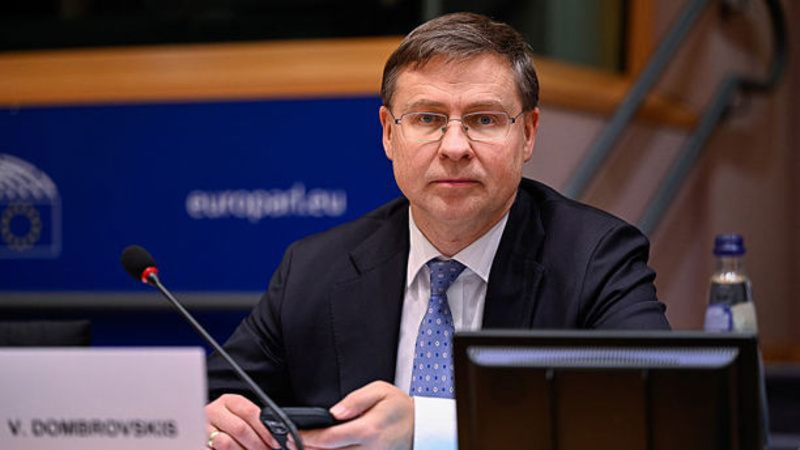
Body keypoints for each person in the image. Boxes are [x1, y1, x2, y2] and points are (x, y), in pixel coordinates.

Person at [204, 11, 670, 450]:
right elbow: (212, 399)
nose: (454, 147)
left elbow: (654, 410)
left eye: (484, 119)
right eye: (427, 118)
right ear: (389, 133)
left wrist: (428, 428)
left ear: (528, 133)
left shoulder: (594, 259)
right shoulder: (315, 269)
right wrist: (214, 420)